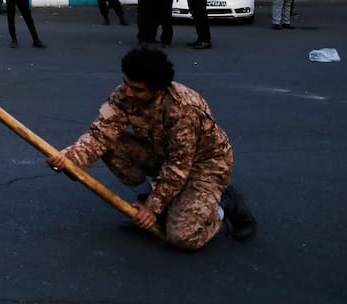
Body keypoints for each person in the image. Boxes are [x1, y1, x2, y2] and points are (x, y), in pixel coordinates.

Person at [46, 47, 256, 249]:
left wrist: (152, 208)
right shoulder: (124, 95)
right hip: (162, 154)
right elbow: (100, 135)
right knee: (111, 143)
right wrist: (68, 160)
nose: (128, 92)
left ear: (158, 88)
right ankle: (150, 200)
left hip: (204, 167)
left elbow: (178, 166)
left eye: (137, 89)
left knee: (183, 237)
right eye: (126, 83)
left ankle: (224, 205)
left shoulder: (183, 109)